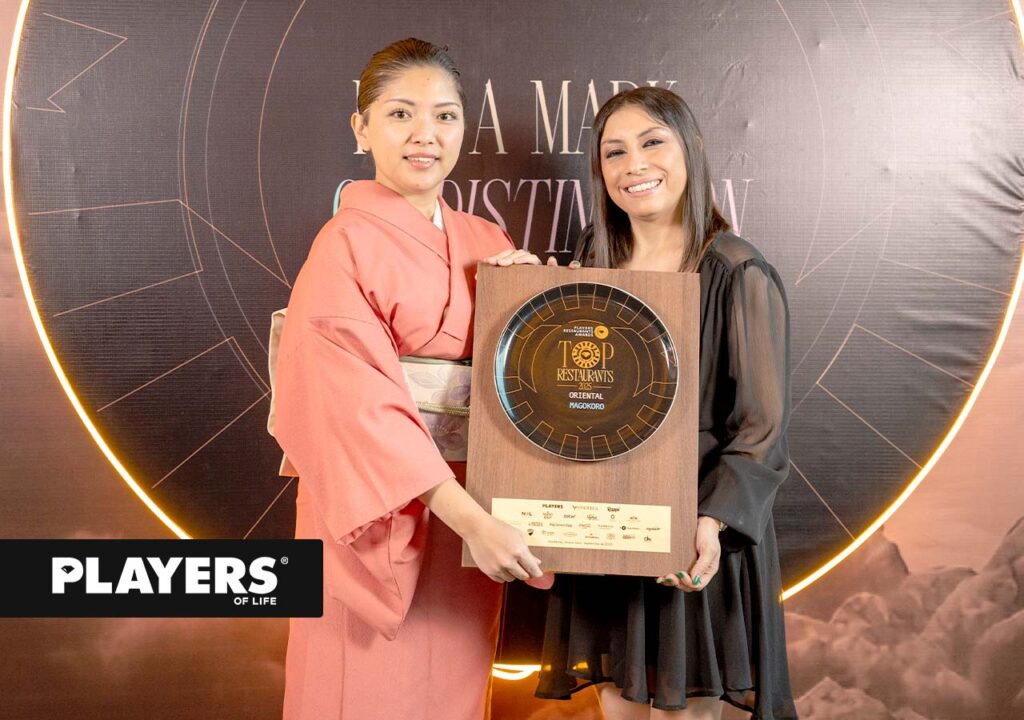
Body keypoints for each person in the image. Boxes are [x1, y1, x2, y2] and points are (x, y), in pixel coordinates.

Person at [272, 38, 546, 720]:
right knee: (362, 691)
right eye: (400, 114)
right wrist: (469, 518)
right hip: (378, 510)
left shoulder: (488, 241)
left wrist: (535, 306)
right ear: (361, 127)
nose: (426, 134)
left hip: (475, 511)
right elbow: (353, 406)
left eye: (445, 116)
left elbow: (524, 383)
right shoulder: (343, 243)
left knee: (454, 687)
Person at [527, 88, 798, 719]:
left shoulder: (737, 270)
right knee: (616, 705)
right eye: (614, 152)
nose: (634, 165)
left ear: (692, 150)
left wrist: (710, 522)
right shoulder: (592, 258)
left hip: (697, 527)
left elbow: (761, 426)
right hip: (606, 523)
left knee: (686, 707)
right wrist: (523, 290)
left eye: (653, 142)